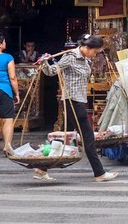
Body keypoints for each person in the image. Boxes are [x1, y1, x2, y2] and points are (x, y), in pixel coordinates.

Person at [35, 35, 118, 183]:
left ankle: (42, 168)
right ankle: (99, 173)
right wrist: (44, 63)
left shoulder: (86, 59)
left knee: (65, 138)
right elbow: (52, 72)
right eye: (95, 52)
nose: (95, 55)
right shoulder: (70, 57)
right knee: (88, 138)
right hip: (72, 101)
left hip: (79, 101)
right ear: (88, 47)